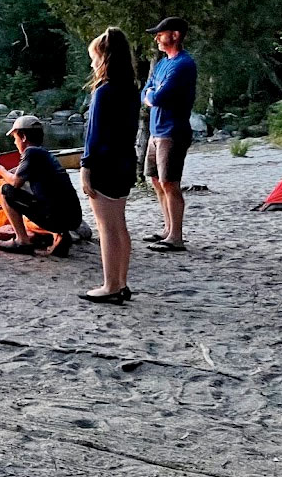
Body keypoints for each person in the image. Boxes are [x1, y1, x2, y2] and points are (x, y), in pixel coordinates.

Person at [78, 27, 141, 304]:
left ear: (104, 58)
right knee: (120, 225)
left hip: (105, 165)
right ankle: (122, 282)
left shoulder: (104, 91)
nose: (92, 63)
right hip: (125, 163)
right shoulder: (131, 89)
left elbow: (95, 133)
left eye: (94, 58)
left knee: (106, 228)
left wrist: (85, 166)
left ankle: (110, 285)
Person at [141, 16, 197, 252]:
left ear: (174, 35)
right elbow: (145, 92)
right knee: (155, 180)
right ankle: (167, 228)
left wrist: (152, 95)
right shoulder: (163, 63)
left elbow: (157, 97)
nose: (156, 37)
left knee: (170, 183)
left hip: (172, 131)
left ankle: (176, 237)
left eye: (160, 33)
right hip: (156, 131)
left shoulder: (183, 64)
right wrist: (151, 95)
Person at [0, 115, 83, 257]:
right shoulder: (43, 153)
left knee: (5, 190)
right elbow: (21, 173)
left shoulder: (31, 152)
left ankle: (22, 241)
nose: (15, 143)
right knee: (32, 209)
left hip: (56, 217)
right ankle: (59, 234)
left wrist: (0, 170)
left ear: (23, 137)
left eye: (15, 138)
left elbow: (15, 182)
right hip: (73, 218)